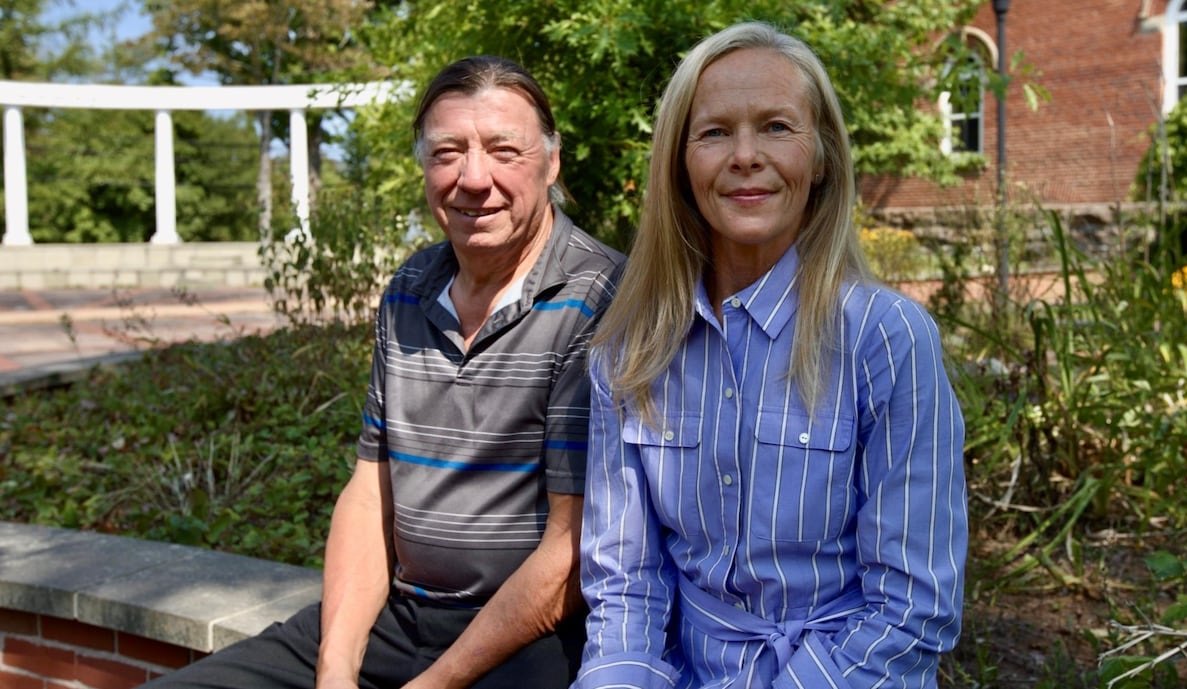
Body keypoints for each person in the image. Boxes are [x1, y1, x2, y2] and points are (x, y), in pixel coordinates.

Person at [143, 55, 624, 689]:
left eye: (504, 150)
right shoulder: (410, 289)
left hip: (532, 635)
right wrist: (336, 668)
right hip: (401, 618)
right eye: (448, 151)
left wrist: (433, 685)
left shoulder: (600, 297)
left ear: (551, 161)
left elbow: (571, 554)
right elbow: (370, 491)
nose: (473, 178)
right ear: (424, 166)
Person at [572, 22, 967, 689]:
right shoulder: (628, 350)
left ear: (821, 160)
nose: (746, 155)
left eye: (778, 127)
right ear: (679, 162)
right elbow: (626, 588)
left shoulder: (888, 339)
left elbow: (912, 610)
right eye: (715, 131)